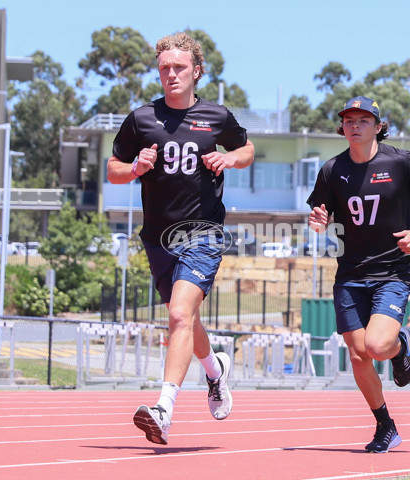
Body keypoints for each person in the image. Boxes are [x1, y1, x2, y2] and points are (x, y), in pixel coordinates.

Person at [107, 32, 255, 445]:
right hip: (158, 238)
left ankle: (164, 409)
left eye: (179, 68)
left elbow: (247, 150)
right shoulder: (141, 119)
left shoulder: (216, 117)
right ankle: (215, 372)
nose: (171, 75)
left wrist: (229, 158)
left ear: (196, 72)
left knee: (177, 315)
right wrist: (135, 167)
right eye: (164, 68)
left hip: (203, 233)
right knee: (185, 318)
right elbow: (112, 169)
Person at [307, 95, 410, 453]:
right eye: (349, 121)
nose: (354, 127)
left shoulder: (400, 162)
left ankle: (399, 346)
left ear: (378, 126)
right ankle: (385, 425)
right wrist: (319, 219)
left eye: (363, 121)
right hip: (351, 272)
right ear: (342, 127)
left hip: (394, 269)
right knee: (358, 355)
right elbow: (319, 209)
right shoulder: (331, 169)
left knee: (376, 345)